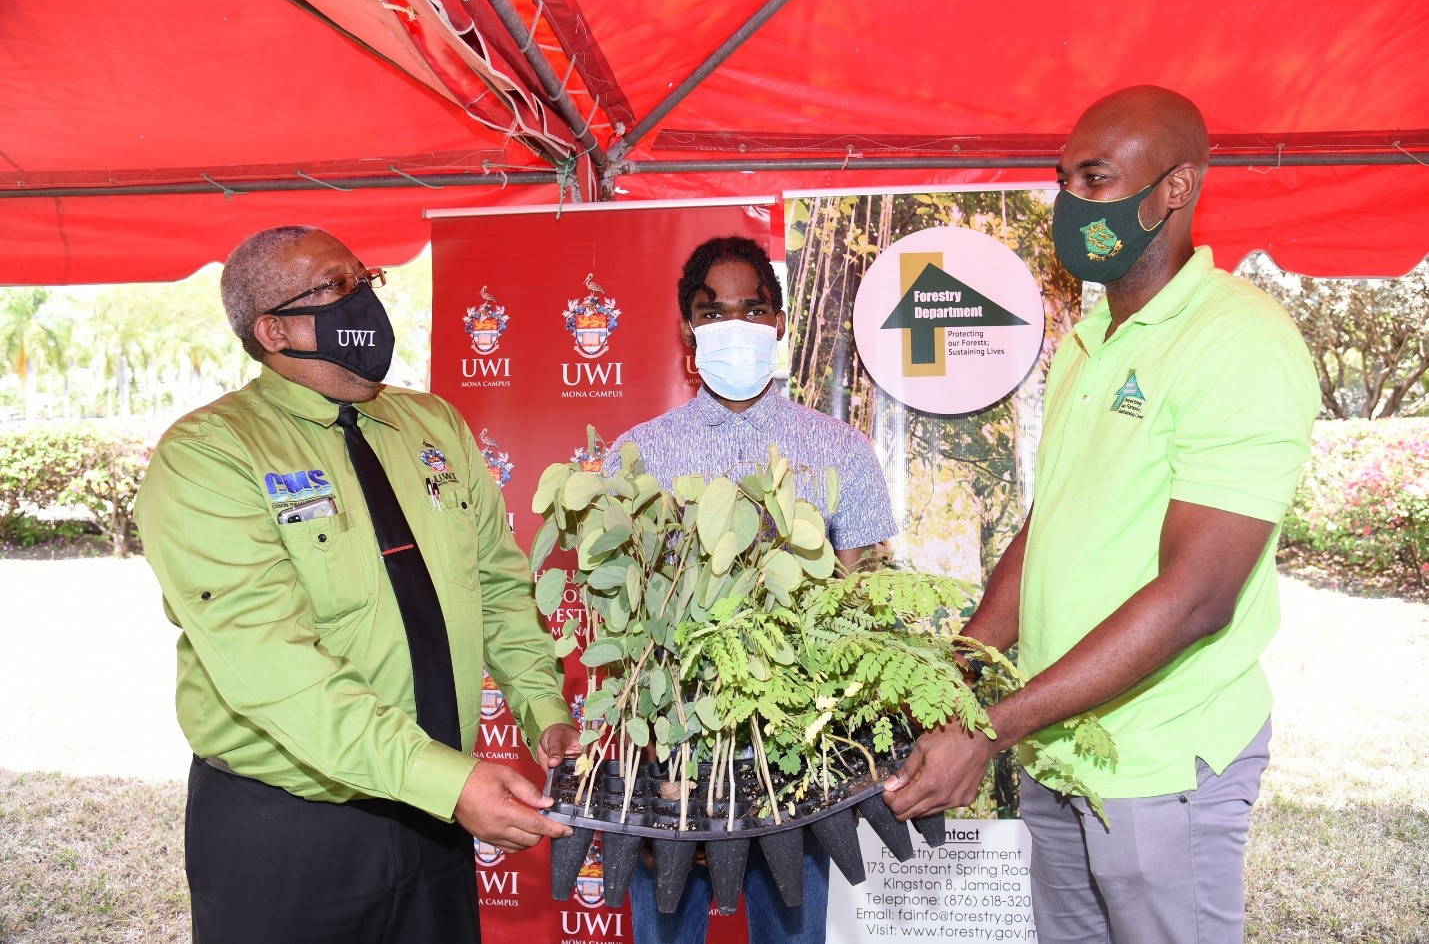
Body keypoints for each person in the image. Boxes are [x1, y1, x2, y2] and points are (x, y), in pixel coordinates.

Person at [882, 86, 1319, 943]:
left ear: (1173, 189)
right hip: (1059, 751)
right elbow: (1048, 531)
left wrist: (991, 729)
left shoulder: (1237, 341)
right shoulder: (1090, 341)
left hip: (1159, 761)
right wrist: (961, 677)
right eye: (1063, 180)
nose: (1070, 204)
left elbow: (1199, 597)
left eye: (1096, 178)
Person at [135, 226, 580, 944]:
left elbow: (494, 583)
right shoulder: (209, 456)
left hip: (432, 806)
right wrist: (447, 781)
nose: (364, 300)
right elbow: (273, 664)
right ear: (273, 329)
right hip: (287, 827)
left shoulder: (431, 422)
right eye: (334, 287)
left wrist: (542, 706)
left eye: (364, 278)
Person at [604, 235, 899, 944]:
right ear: (687, 330)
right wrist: (631, 744)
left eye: (752, 309)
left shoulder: (841, 451)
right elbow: (618, 615)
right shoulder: (636, 453)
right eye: (713, 312)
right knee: (665, 931)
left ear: (779, 324)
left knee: (794, 932)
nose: (733, 327)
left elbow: (860, 606)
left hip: (795, 758)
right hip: (671, 748)